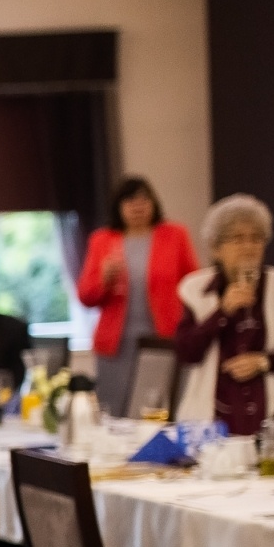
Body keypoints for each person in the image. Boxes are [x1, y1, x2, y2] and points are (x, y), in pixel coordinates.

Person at [77, 176, 199, 416]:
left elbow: (194, 286)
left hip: (163, 339)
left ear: (154, 203)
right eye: (130, 200)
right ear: (118, 207)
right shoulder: (102, 240)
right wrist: (105, 279)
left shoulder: (174, 235)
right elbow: (86, 297)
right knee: (115, 409)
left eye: (144, 199)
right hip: (116, 345)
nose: (138, 206)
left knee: (158, 406)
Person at [175, 194, 274, 434]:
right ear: (216, 249)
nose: (249, 247)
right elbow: (187, 352)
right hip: (210, 420)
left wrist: (265, 362)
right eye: (238, 239)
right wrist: (221, 312)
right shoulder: (196, 289)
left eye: (256, 238)